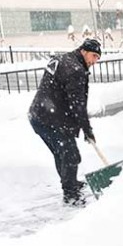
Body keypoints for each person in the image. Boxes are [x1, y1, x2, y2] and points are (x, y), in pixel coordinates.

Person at [28, 39, 101, 206]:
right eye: (94, 56)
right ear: (83, 51)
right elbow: (78, 105)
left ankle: (70, 183)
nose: (95, 61)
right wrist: (87, 129)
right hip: (51, 119)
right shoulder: (75, 70)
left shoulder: (62, 59)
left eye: (97, 58)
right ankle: (71, 195)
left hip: (38, 116)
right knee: (71, 155)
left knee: (62, 153)